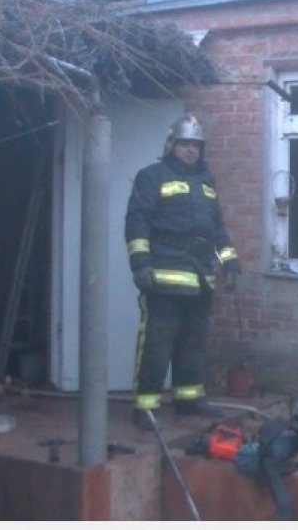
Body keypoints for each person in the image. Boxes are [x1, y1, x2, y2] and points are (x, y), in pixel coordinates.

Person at [125, 113, 241, 429]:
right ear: (171, 145)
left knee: (193, 342)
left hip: (200, 277)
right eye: (185, 143)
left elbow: (217, 228)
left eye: (196, 145)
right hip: (163, 276)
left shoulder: (206, 182)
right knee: (157, 344)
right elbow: (137, 221)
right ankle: (146, 407)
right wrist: (140, 264)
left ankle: (188, 399)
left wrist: (230, 263)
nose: (191, 149)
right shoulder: (151, 176)